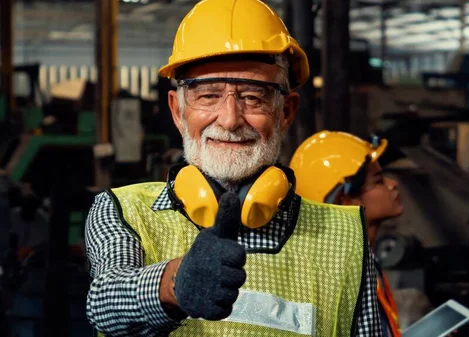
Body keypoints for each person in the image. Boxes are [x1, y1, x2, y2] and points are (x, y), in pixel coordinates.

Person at [84, 0, 383, 336]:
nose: (229, 119)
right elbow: (103, 301)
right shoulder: (126, 212)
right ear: (178, 111)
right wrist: (172, 285)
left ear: (286, 112)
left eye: (253, 97)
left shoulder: (345, 236)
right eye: (209, 96)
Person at [289, 131, 405, 337]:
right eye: (378, 181)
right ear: (346, 201)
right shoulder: (332, 279)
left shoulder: (361, 258)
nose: (392, 184)